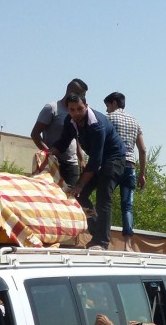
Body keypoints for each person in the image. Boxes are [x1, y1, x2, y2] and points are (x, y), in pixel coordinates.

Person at [46, 93, 127, 250]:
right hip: (99, 161)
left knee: (103, 198)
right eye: (72, 110)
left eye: (79, 109)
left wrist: (80, 184)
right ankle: (97, 232)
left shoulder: (97, 125)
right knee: (79, 196)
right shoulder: (70, 121)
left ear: (86, 105)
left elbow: (95, 160)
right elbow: (62, 143)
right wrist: (48, 153)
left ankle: (102, 243)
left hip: (114, 159)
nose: (76, 113)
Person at [103, 92, 147, 252]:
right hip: (131, 166)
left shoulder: (109, 118)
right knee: (127, 205)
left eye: (108, 106)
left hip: (113, 163)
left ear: (114, 103)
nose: (107, 110)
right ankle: (128, 243)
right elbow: (142, 150)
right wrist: (142, 174)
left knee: (105, 201)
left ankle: (104, 240)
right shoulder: (135, 121)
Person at [31, 79, 88, 187]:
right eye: (81, 94)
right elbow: (35, 134)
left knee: (71, 197)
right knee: (51, 196)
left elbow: (76, 137)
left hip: (71, 164)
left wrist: (82, 159)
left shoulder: (78, 112)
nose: (83, 98)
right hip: (53, 162)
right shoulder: (52, 108)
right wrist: (48, 154)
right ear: (72, 92)